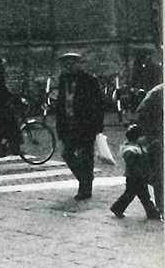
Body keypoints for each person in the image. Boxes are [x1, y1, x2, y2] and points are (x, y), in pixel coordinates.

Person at [55, 51, 105, 200]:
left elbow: (98, 104)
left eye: (72, 64)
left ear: (79, 64)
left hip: (85, 125)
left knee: (86, 156)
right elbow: (61, 104)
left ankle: (85, 189)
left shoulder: (89, 80)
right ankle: (85, 179)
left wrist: (97, 126)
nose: (69, 67)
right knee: (67, 154)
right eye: (66, 65)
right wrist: (60, 127)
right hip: (68, 124)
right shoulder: (63, 80)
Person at [110, 124, 161, 220]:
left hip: (136, 177)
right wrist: (142, 174)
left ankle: (118, 208)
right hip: (136, 178)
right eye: (142, 136)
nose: (144, 138)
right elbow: (133, 165)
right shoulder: (132, 150)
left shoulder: (135, 148)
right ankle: (152, 213)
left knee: (133, 195)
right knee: (142, 196)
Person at [135, 82, 163, 218]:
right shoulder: (157, 93)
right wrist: (151, 136)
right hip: (159, 141)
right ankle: (161, 207)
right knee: (160, 175)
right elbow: (142, 114)